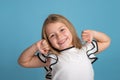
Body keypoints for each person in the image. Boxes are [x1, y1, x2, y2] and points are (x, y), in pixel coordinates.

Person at [18, 14, 111, 80]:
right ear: (47, 41)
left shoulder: (85, 50)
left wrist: (94, 34)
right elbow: (23, 62)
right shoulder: (51, 57)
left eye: (62, 30)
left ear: (70, 29)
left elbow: (106, 41)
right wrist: (35, 46)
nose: (59, 36)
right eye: (52, 35)